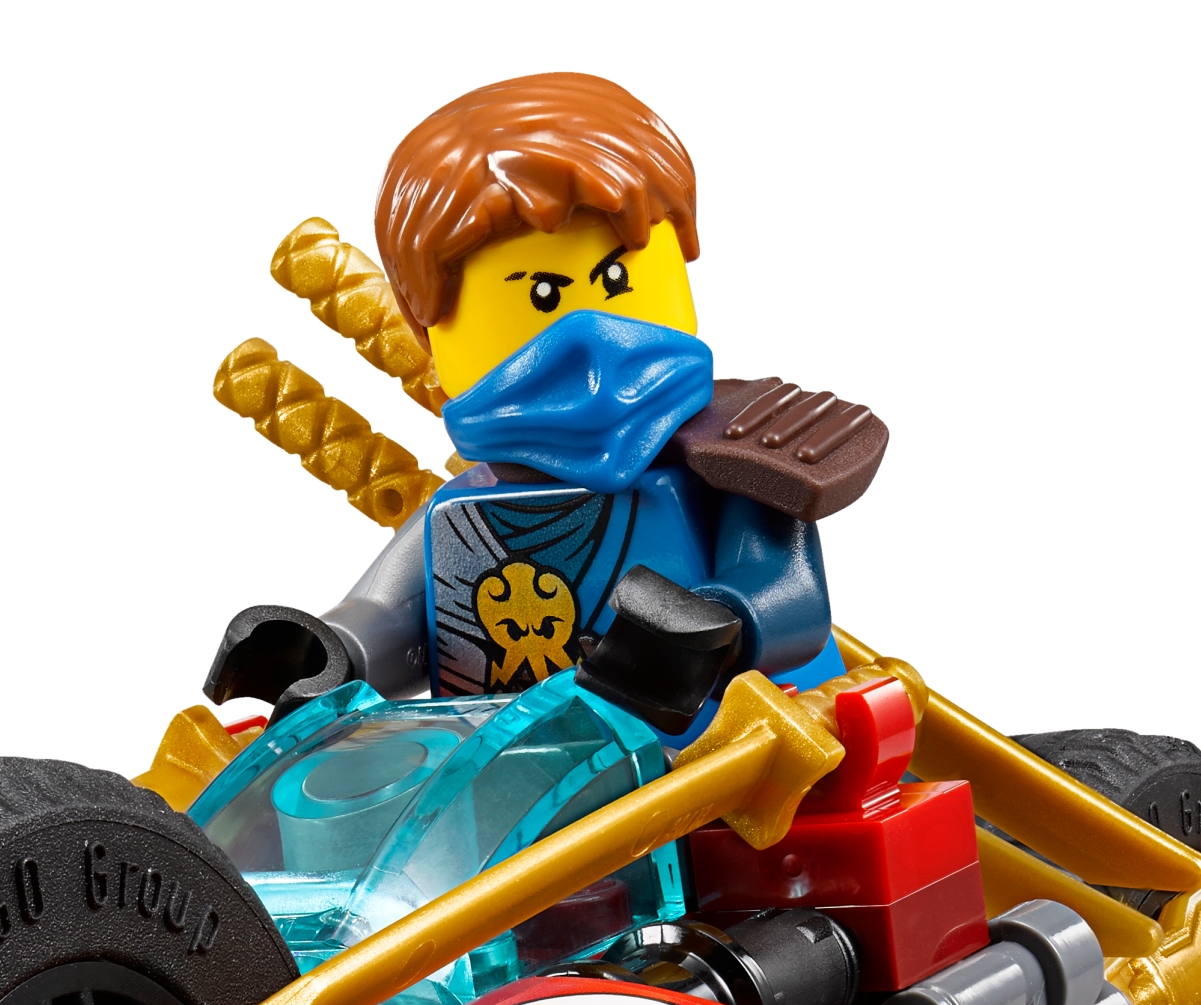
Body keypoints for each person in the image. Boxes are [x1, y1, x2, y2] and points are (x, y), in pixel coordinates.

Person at [205, 72, 858, 746]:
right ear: (430, 332)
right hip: (508, 771)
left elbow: (788, 594)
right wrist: (331, 652)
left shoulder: (735, 463)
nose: (593, 347)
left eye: (616, 280)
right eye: (540, 297)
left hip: (727, 761)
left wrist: (716, 626)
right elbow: (388, 614)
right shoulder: (462, 515)